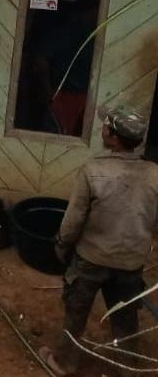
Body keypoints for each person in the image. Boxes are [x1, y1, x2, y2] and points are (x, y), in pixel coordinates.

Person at [40, 108, 158, 376]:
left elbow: (72, 222)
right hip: (131, 262)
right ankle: (127, 367)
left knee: (77, 311)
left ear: (113, 138)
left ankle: (65, 363)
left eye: (106, 126)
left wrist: (61, 245)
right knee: (125, 316)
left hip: (91, 259)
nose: (103, 129)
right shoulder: (155, 174)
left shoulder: (92, 171)